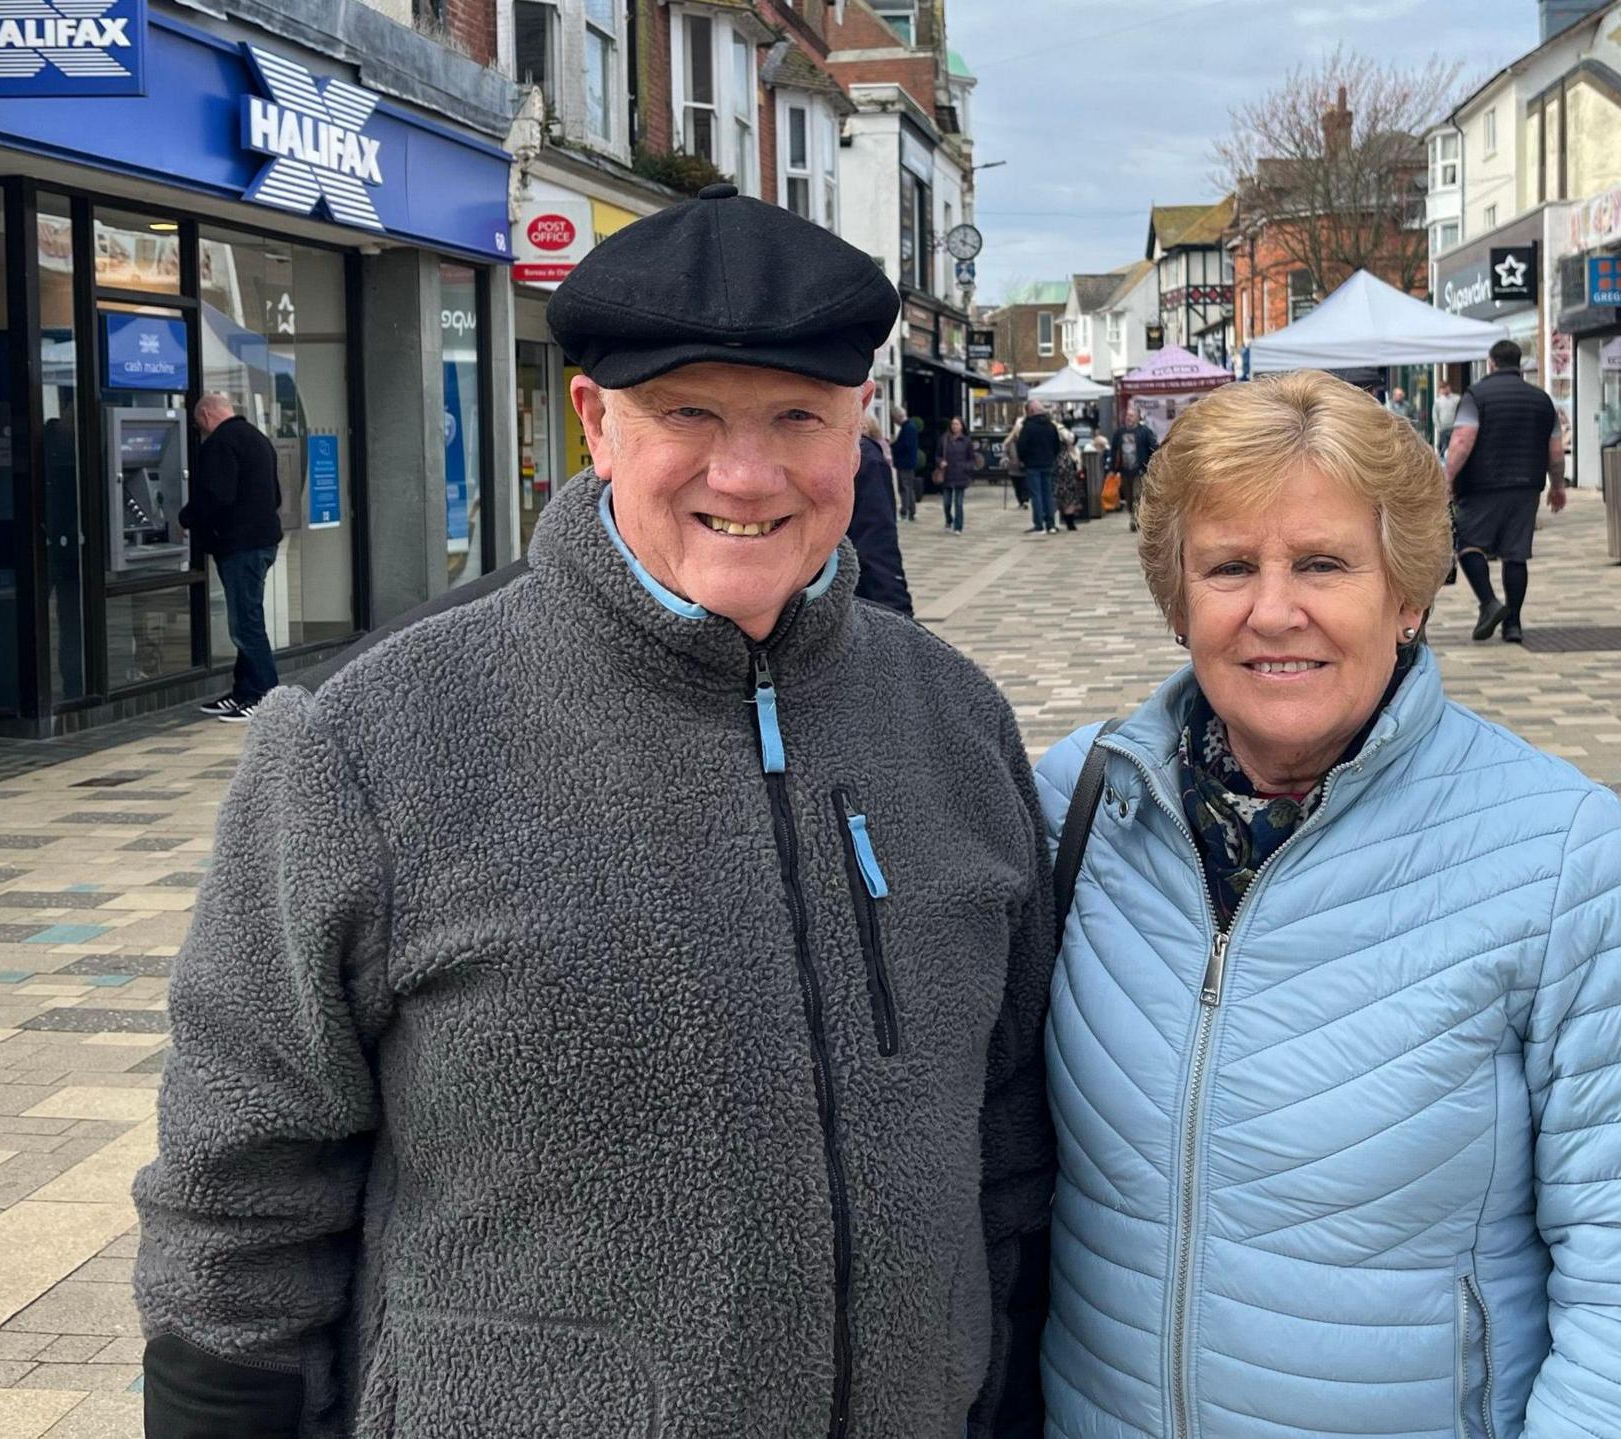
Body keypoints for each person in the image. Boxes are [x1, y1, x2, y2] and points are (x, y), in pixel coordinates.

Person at [133, 182, 1053, 1439]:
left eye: (798, 416)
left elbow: (1004, 1135)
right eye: (689, 413)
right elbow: (240, 1190)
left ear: (859, 430)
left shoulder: (953, 722)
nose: (747, 471)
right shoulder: (367, 742)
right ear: (595, 424)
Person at [1038, 370, 1621, 1439]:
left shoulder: (1557, 852)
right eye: (1229, 566)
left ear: (1407, 592)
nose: (1275, 608)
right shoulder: (1077, 804)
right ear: (1177, 599)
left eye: (1323, 563)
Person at [1444, 339, 1567, 643]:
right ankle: (1513, 624)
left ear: (1491, 363)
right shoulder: (1542, 400)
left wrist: (1446, 478)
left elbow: (1462, 441)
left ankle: (1489, 603)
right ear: (1519, 364)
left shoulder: (1477, 396)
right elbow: (1556, 452)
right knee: (1516, 554)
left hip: (1482, 485)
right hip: (1527, 486)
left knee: (1469, 544)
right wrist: (1558, 487)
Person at [180, 390, 283, 723]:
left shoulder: (221, 444)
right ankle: (244, 691)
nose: (201, 432)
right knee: (247, 617)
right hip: (263, 543)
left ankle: (267, 697)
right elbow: (277, 495)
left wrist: (186, 519)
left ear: (208, 416)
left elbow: (217, 497)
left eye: (199, 426)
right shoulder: (258, 440)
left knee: (245, 624)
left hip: (241, 546)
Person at [853, 414, 914, 613]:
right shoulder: (869, 457)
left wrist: (898, 618)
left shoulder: (866, 459)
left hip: (856, 601)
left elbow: (876, 545)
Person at [1015, 399, 1064, 535]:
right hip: (1048, 464)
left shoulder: (1028, 427)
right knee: (1048, 494)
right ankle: (1051, 524)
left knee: (1036, 495)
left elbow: (1021, 446)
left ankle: (1039, 525)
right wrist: (1051, 457)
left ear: (1030, 411)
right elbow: (1057, 446)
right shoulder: (1051, 426)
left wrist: (1023, 460)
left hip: (1033, 465)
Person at [1109, 402, 1158, 533]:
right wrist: (1112, 469)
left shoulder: (1145, 432)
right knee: (1129, 497)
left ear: (1137, 417)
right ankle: (1134, 515)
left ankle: (1135, 520)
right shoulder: (1119, 432)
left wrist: (1151, 466)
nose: (1128, 418)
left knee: (1138, 495)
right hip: (1125, 470)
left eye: (1131, 415)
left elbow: (1153, 448)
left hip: (1139, 470)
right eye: (1127, 415)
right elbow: (1114, 451)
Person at [934, 415, 976, 532]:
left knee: (958, 503)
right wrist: (940, 462)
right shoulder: (944, 439)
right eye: (953, 424)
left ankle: (958, 526)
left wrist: (966, 467)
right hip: (947, 474)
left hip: (961, 475)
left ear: (962, 426)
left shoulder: (967, 441)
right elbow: (937, 456)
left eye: (957, 424)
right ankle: (949, 519)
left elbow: (972, 459)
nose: (954, 426)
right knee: (946, 503)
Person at [889, 405, 923, 522]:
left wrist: (893, 445)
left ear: (898, 417)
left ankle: (906, 511)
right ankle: (911, 512)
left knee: (905, 488)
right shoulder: (909, 427)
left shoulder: (908, 428)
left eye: (894, 419)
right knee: (909, 487)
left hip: (905, 462)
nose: (894, 422)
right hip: (908, 462)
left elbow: (905, 445)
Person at [1431, 376, 1462, 455]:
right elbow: (1435, 415)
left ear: (1449, 387)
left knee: (1455, 448)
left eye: (1445, 387)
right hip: (1443, 429)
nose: (1444, 390)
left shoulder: (1457, 399)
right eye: (1442, 388)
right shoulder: (1438, 401)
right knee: (1443, 447)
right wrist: (1439, 427)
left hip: (1455, 428)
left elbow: (1461, 412)